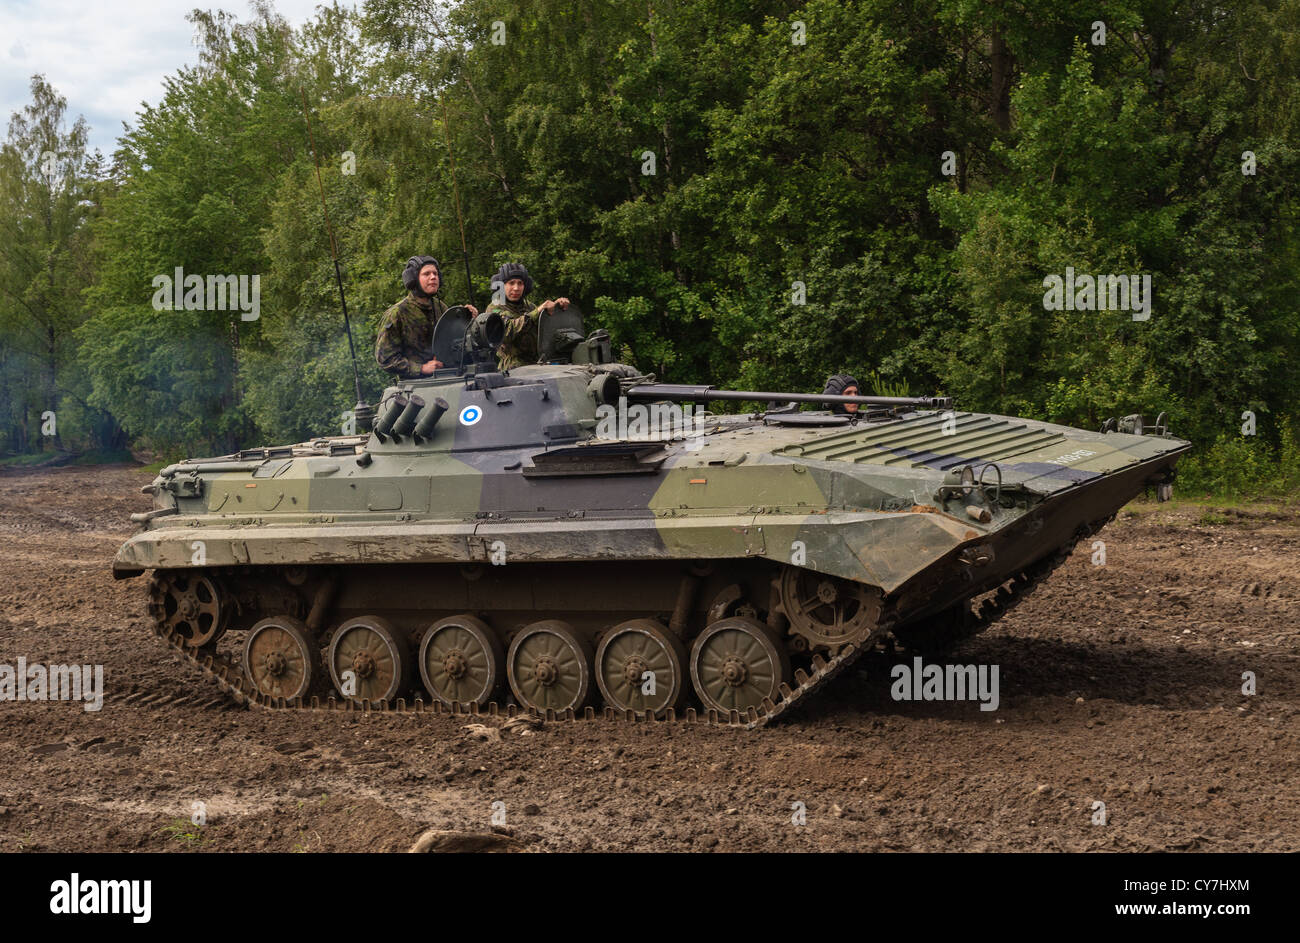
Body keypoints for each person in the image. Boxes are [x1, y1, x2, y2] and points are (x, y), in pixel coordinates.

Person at [374, 256, 478, 378]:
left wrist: (467, 321)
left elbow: (455, 344)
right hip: (414, 388)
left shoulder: (440, 308)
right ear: (413, 280)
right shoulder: (397, 314)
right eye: (426, 274)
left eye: (435, 273)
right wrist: (421, 368)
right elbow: (385, 359)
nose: (433, 277)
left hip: (445, 378)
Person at [487, 262, 570, 371]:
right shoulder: (495, 307)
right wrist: (538, 311)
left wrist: (555, 309)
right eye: (511, 283)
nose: (516, 288)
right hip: (513, 368)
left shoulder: (529, 306)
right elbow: (507, 331)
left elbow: (545, 330)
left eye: (520, 283)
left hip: (539, 363)